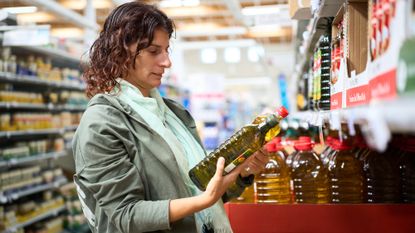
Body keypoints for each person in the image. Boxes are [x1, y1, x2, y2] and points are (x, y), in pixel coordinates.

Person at [72, 2, 269, 233]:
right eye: (154, 51)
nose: (167, 62)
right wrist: (203, 200)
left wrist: (243, 172)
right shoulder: (101, 124)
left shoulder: (172, 113)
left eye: (166, 50)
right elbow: (125, 216)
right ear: (121, 50)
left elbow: (200, 192)